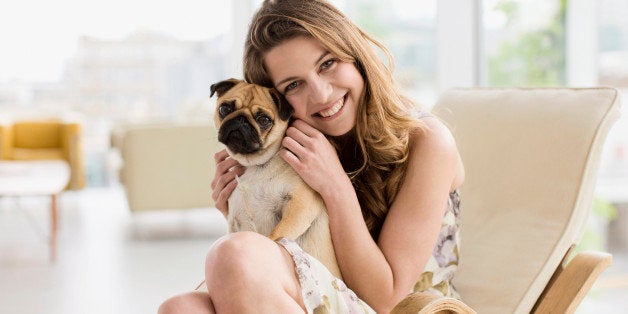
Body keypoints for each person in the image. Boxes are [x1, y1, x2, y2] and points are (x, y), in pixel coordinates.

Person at [158, 0, 464, 312]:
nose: (320, 94)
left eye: (327, 63)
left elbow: (388, 300)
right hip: (332, 293)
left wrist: (334, 185)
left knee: (234, 255)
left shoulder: (428, 141)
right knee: (181, 307)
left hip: (408, 308)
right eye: (293, 85)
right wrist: (246, 205)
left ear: (355, 55)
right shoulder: (300, 151)